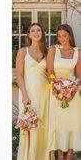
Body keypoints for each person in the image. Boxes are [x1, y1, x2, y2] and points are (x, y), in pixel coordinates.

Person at [47, 24, 81, 160]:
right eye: (59, 36)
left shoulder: (78, 52)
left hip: (73, 93)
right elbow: (50, 72)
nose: (62, 39)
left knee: (72, 122)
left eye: (64, 36)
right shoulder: (53, 50)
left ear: (70, 36)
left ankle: (70, 155)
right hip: (56, 92)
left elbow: (79, 75)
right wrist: (56, 90)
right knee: (59, 123)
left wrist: (72, 92)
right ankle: (60, 154)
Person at [16, 23, 49, 160]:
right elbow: (19, 75)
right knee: (30, 127)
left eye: (39, 30)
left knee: (44, 127)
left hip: (45, 95)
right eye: (33, 31)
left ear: (42, 33)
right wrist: (24, 94)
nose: (36, 33)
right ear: (29, 35)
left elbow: (50, 73)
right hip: (28, 93)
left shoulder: (48, 52)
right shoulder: (23, 51)